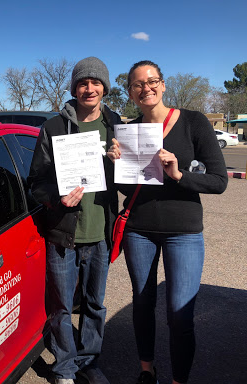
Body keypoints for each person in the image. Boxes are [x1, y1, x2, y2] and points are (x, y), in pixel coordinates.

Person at [107, 60, 228, 384]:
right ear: (130, 92)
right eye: (137, 84)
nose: (145, 88)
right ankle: (147, 371)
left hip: (184, 232)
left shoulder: (193, 122)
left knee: (180, 314)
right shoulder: (130, 130)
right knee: (143, 305)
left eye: (152, 81)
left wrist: (178, 174)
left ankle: (179, 380)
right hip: (139, 231)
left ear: (163, 85)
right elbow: (126, 188)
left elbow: (219, 181)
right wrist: (114, 164)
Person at [29, 57, 121, 384]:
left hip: (100, 232)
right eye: (83, 83)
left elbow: (127, 180)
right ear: (74, 88)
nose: (89, 88)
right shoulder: (53, 127)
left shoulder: (117, 126)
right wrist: (56, 198)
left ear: (104, 88)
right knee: (61, 308)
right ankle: (65, 367)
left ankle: (88, 361)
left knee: (95, 305)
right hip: (63, 235)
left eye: (95, 83)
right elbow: (36, 182)